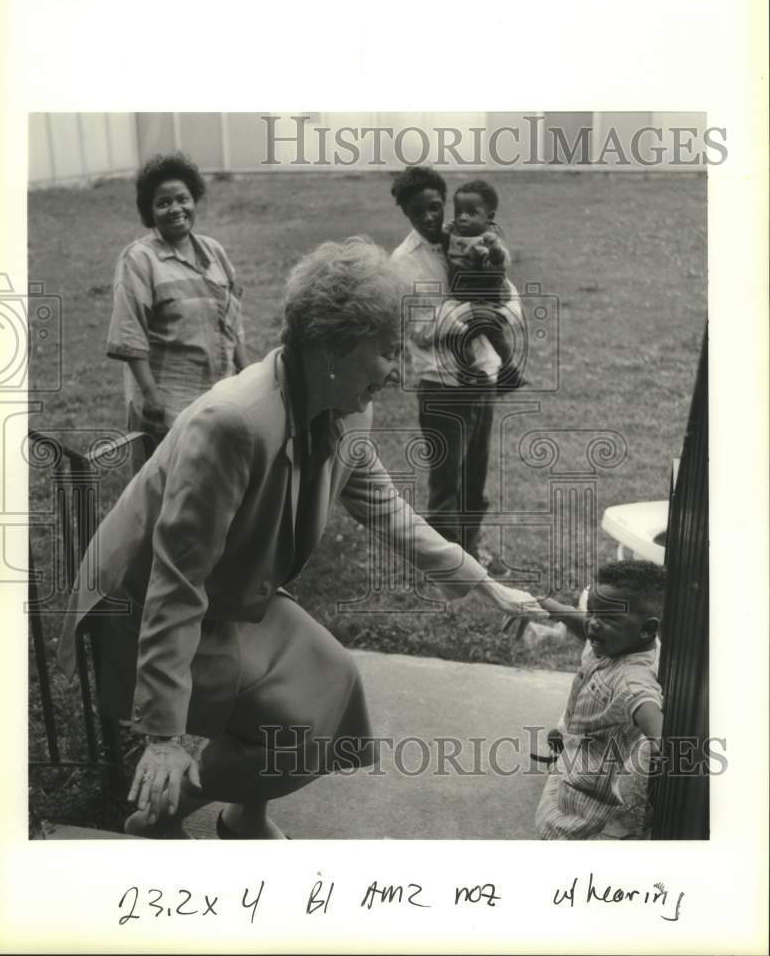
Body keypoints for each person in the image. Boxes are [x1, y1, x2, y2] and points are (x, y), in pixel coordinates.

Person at [58, 237, 546, 839]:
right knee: (281, 729)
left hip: (233, 588)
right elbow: (174, 583)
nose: (395, 373)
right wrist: (163, 737)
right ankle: (161, 814)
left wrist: (484, 584)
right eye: (387, 352)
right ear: (331, 348)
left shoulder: (346, 407)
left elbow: (386, 511)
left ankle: (240, 814)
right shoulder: (232, 423)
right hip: (146, 610)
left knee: (329, 691)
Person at [390, 166, 523, 574]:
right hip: (442, 385)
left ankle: (472, 549)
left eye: (434, 207)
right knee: (446, 481)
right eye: (417, 212)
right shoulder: (402, 264)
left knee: (475, 478)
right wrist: (472, 311)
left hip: (482, 376)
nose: (429, 218)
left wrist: (494, 312)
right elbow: (422, 328)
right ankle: (447, 566)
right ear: (406, 215)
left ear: (443, 202)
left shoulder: (467, 237)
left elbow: (509, 299)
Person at [106, 152, 247, 469]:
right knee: (163, 492)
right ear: (150, 211)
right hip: (167, 402)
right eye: (163, 203)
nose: (176, 209)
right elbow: (129, 333)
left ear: (194, 200)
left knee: (211, 486)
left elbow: (233, 320)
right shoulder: (139, 259)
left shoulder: (213, 251)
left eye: (182, 199)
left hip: (217, 394)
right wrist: (151, 395)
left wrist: (246, 374)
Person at [531, 560, 666, 840]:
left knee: (564, 835)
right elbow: (583, 625)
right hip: (576, 754)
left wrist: (662, 746)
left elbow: (646, 706)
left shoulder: (633, 677)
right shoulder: (618, 640)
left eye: (608, 617)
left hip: (592, 790)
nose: (593, 623)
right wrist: (545, 605)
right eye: (592, 610)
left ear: (646, 628)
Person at [443, 179, 522, 390]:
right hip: (462, 298)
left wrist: (490, 254)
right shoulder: (453, 232)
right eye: (458, 211)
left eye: (471, 212)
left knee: (490, 331)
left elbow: (499, 264)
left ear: (489, 217)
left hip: (485, 297)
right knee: (457, 336)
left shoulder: (489, 239)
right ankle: (471, 371)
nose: (462, 217)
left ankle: (509, 369)